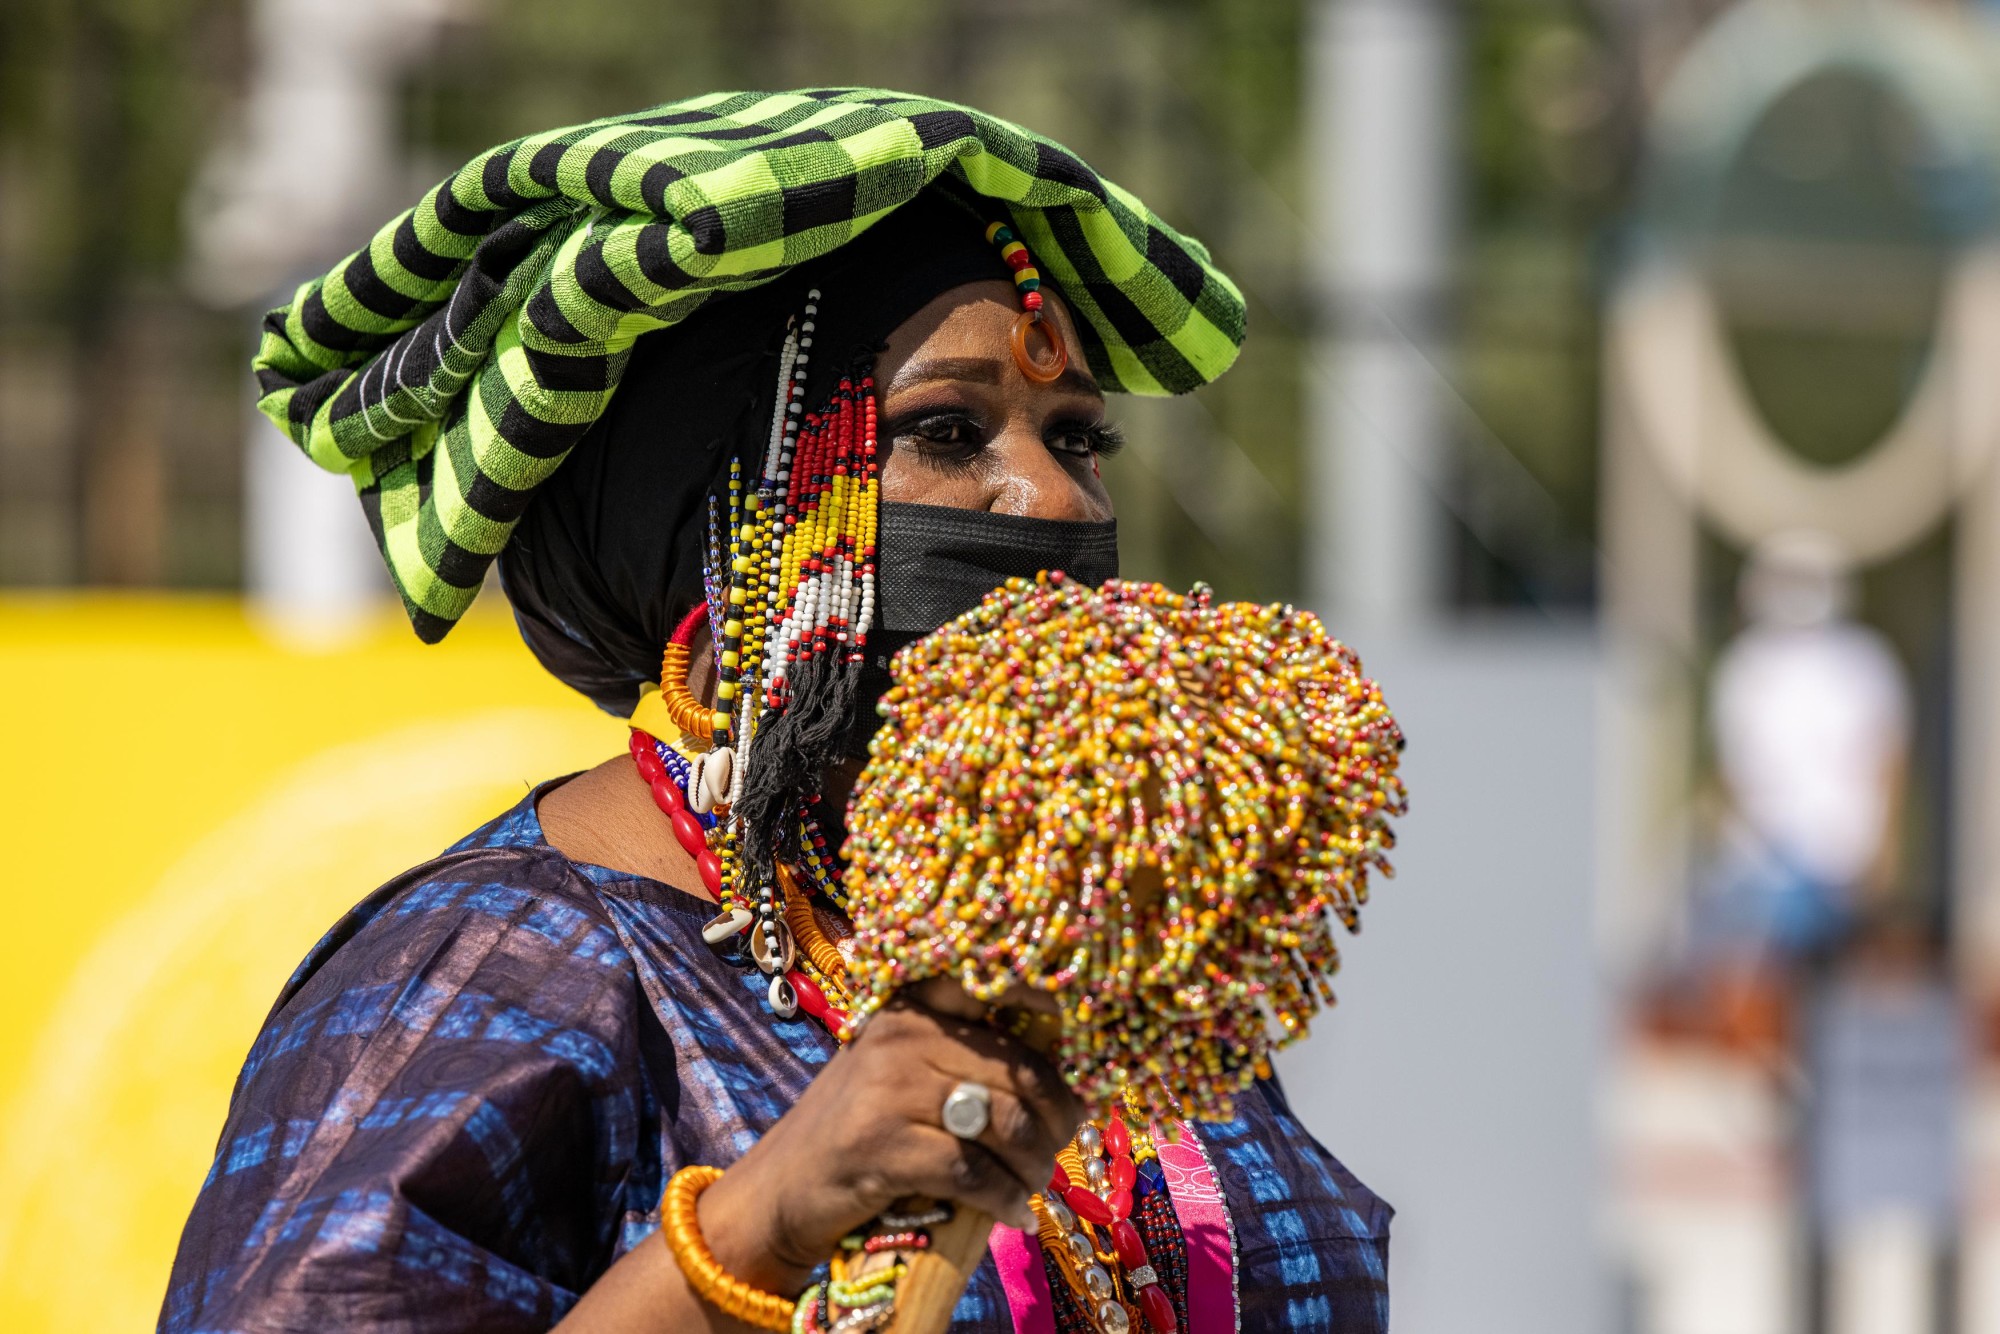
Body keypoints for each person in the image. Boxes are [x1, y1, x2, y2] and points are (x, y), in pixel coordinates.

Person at [161, 90, 1391, 1334]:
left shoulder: (1103, 956)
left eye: (1078, 439)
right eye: (948, 431)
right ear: (717, 519)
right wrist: (769, 1217)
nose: (1057, 501)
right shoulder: (497, 966)